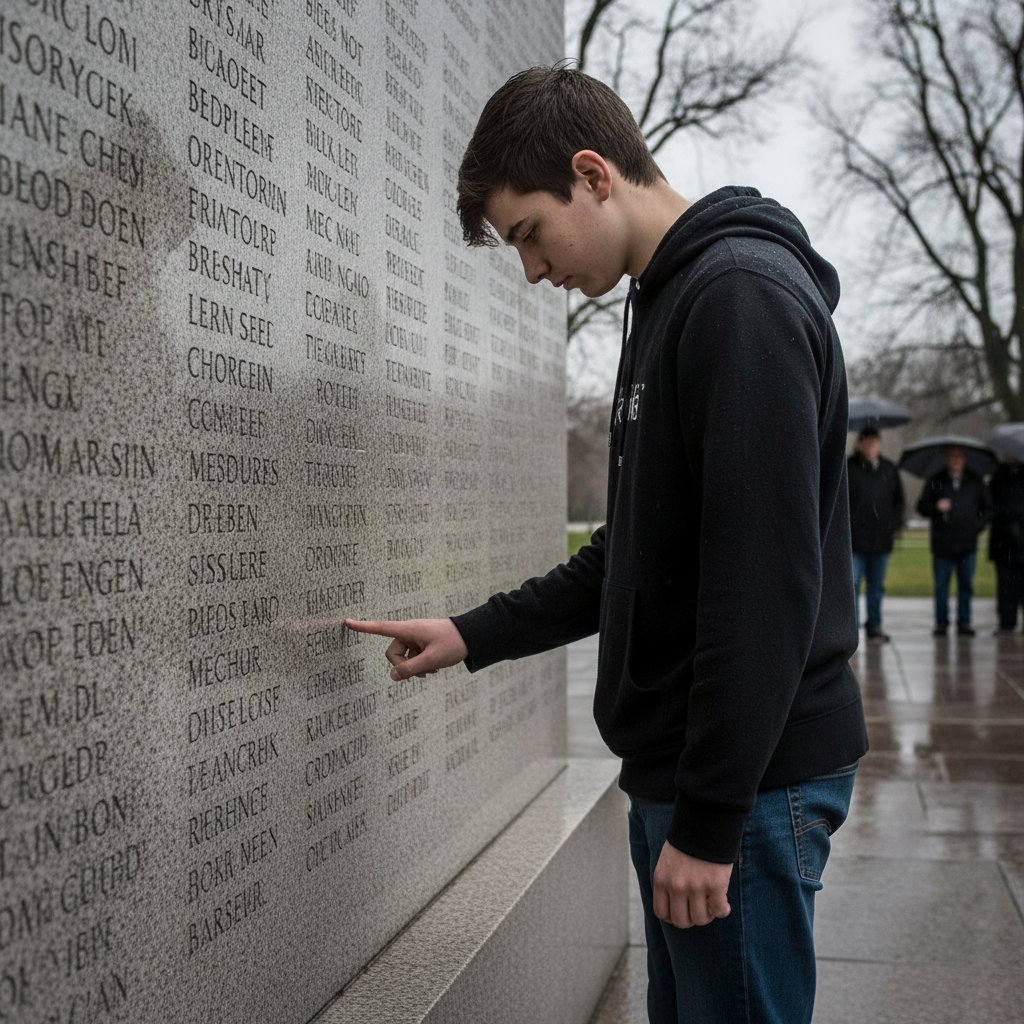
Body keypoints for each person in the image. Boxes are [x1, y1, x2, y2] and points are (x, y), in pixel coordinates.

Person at [345, 65, 868, 1024]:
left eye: (530, 235)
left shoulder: (738, 300)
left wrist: (711, 824)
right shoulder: (664, 300)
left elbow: (764, 588)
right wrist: (472, 632)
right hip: (701, 780)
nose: (533, 272)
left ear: (592, 174)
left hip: (748, 790)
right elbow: (628, 557)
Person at [916, 446, 992, 636]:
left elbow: (988, 508)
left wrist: (977, 525)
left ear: (964, 459)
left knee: (966, 585)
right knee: (942, 586)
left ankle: (964, 622)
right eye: (952, 457)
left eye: (959, 457)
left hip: (967, 543)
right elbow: (921, 506)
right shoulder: (936, 480)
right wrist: (936, 507)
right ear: (946, 459)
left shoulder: (975, 481)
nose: (956, 460)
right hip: (943, 544)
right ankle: (942, 623)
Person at [848, 426, 905, 641]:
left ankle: (875, 626)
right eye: (867, 442)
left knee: (877, 586)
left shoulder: (889, 469)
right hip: (855, 541)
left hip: (881, 539)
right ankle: (851, 629)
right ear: (860, 443)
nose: (871, 446)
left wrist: (893, 526)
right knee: (852, 586)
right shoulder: (849, 468)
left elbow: (899, 502)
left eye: (874, 442)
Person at [988, 458, 1024, 634]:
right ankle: (1006, 622)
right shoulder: (998, 477)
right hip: (1003, 542)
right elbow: (990, 506)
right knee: (1005, 586)